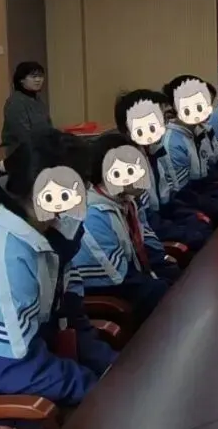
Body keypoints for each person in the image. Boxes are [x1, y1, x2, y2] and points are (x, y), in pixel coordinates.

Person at [0, 130, 116, 404]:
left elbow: (72, 319)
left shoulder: (51, 238)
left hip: (33, 379)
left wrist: (113, 369)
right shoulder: (4, 260)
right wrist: (96, 389)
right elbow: (18, 373)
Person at [72, 134, 177, 323]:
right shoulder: (93, 216)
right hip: (109, 289)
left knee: (175, 275)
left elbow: (146, 243)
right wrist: (156, 282)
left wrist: (162, 263)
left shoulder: (125, 201)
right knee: (164, 293)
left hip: (132, 276)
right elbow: (117, 278)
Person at [114, 89, 213, 251]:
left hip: (161, 219)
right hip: (148, 234)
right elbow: (143, 221)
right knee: (198, 237)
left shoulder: (151, 152)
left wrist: (190, 215)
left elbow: (166, 199)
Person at [164, 74, 218, 195]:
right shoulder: (172, 142)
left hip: (205, 188)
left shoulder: (199, 131)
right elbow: (182, 192)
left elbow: (212, 165)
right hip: (190, 197)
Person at [2, 61, 54, 151]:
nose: (38, 80)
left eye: (40, 76)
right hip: (20, 151)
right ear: (21, 80)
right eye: (33, 77)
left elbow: (48, 127)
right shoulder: (16, 102)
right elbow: (22, 135)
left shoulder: (37, 99)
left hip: (40, 148)